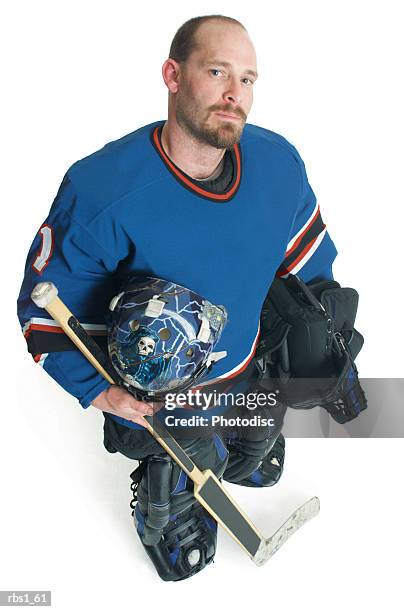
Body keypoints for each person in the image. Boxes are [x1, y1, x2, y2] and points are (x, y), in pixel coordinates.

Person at [17, 15, 337, 580]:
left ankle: (240, 434)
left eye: (248, 79)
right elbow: (45, 310)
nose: (234, 93)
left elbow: (308, 260)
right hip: (167, 387)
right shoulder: (102, 191)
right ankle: (165, 482)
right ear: (173, 74)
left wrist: (324, 331)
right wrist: (99, 394)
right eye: (216, 72)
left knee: (255, 444)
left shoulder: (277, 163)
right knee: (181, 456)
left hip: (246, 355)